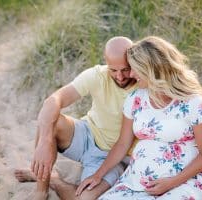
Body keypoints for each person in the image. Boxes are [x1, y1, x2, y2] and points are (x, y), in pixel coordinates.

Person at [76, 36, 202, 200]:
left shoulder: (194, 103)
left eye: (136, 69)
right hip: (136, 183)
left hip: (184, 183)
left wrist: (171, 183)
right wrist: (98, 175)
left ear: (152, 69)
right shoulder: (135, 99)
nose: (132, 74)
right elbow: (122, 143)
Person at [14, 36, 137, 200]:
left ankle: (55, 180)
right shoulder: (97, 75)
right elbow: (53, 100)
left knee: (84, 198)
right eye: (113, 70)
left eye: (125, 69)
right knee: (51, 122)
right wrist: (44, 141)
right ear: (106, 63)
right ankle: (41, 190)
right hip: (86, 134)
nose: (120, 77)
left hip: (112, 157)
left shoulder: (143, 84)